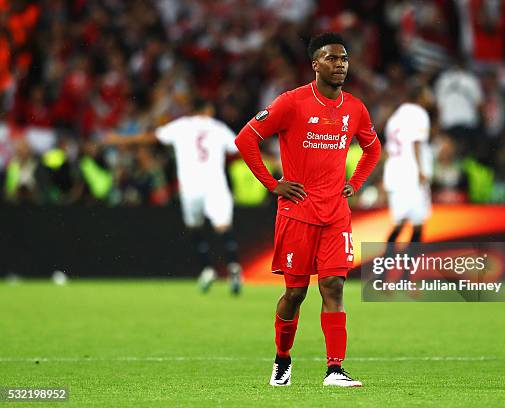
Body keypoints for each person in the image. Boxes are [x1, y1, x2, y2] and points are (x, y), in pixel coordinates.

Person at [234, 32, 381, 387]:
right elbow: (245, 139)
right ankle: (282, 358)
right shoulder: (291, 102)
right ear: (315, 64)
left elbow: (373, 149)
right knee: (295, 293)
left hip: (336, 214)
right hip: (298, 212)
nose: (340, 64)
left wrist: (356, 183)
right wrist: (273, 184)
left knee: (333, 285)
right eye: (332, 58)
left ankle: (335, 370)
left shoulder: (355, 109)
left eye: (344, 58)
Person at [104, 99, 243, 294]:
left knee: (195, 226)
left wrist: (119, 139)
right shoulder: (218, 127)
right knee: (223, 226)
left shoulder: (181, 126)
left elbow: (150, 137)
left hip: (191, 186)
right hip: (215, 183)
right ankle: (234, 268)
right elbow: (238, 146)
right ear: (208, 109)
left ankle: (207, 269)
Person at [384, 84, 433, 246]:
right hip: (412, 176)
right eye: (427, 94)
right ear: (419, 96)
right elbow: (416, 143)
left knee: (400, 223)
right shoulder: (419, 113)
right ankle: (407, 271)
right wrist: (421, 171)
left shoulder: (395, 117)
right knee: (418, 225)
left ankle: (382, 270)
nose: (429, 97)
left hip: (395, 174)